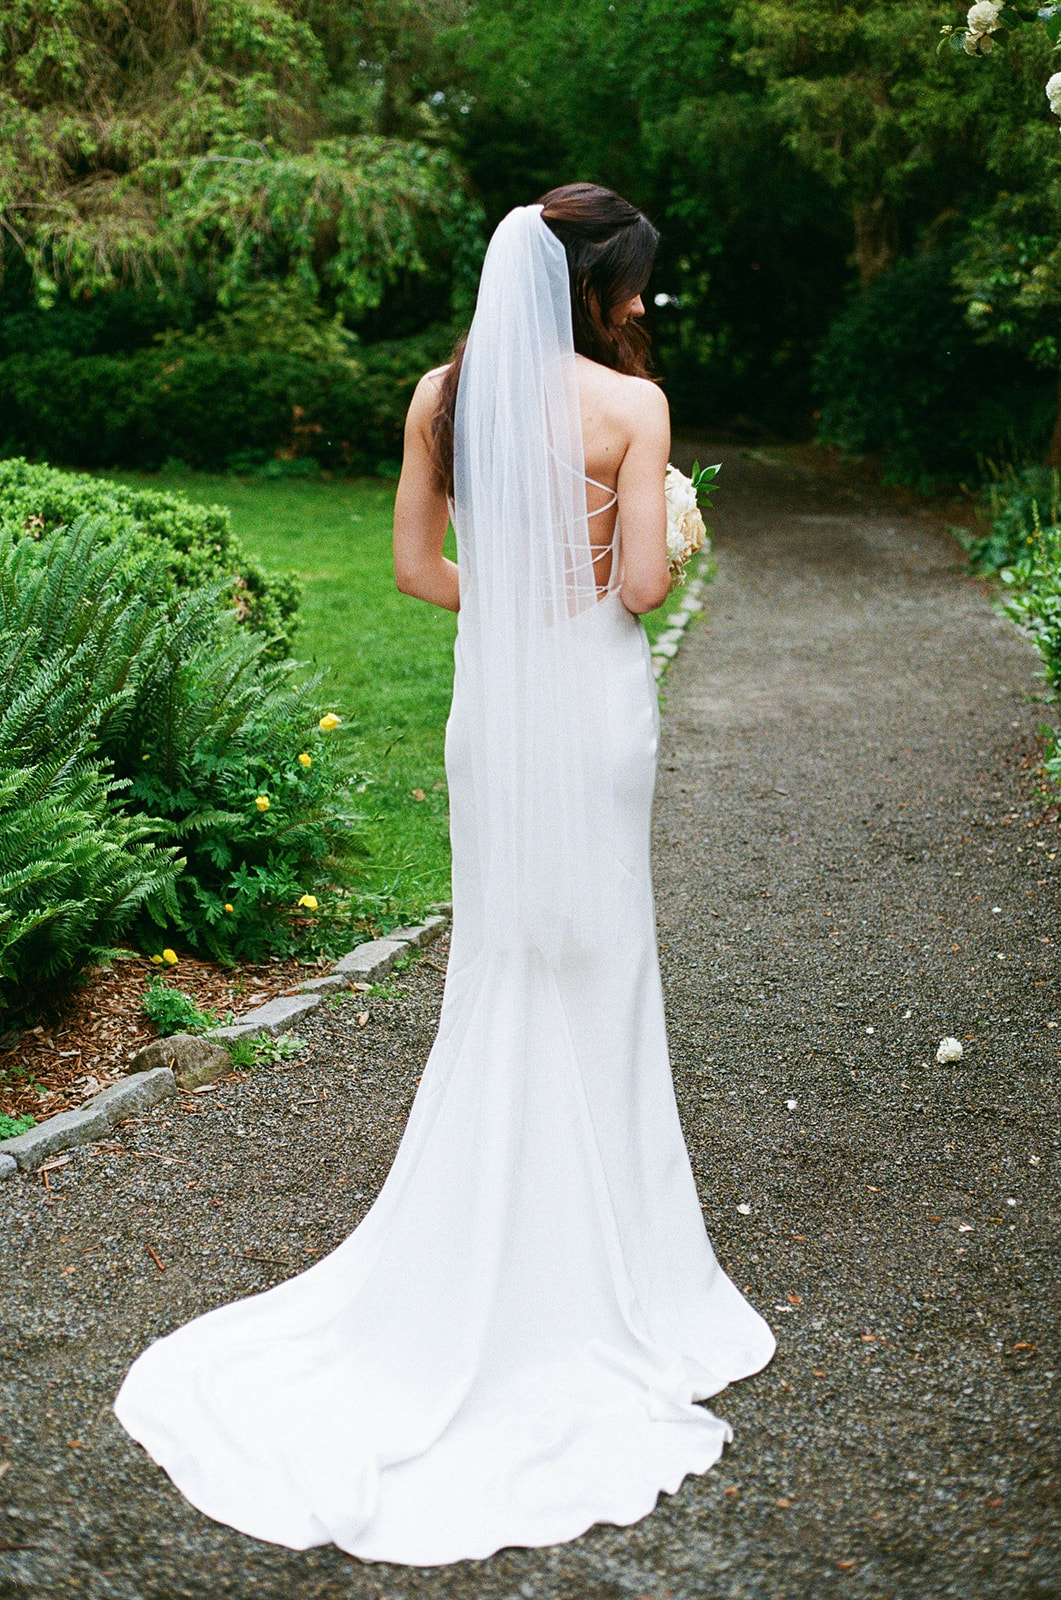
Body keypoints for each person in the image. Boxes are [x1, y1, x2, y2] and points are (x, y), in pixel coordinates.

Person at [114, 184, 775, 1567]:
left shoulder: (437, 392)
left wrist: (520, 596)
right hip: (591, 712)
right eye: (635, 282)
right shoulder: (631, 414)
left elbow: (417, 571)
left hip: (494, 718)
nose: (645, 304)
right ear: (591, 283)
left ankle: (500, 1219)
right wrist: (640, 537)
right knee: (600, 956)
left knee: (503, 956)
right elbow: (644, 592)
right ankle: (618, 1266)